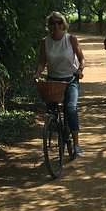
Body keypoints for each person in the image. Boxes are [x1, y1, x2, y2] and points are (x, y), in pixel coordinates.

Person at [33, 12, 86, 157]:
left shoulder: (71, 39)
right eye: (53, 23)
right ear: (49, 26)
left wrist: (80, 70)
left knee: (70, 108)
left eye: (59, 23)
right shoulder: (46, 41)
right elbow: (42, 61)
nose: (56, 25)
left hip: (70, 80)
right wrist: (37, 73)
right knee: (51, 112)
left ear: (63, 24)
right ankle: (56, 132)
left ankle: (76, 144)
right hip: (53, 81)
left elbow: (82, 58)